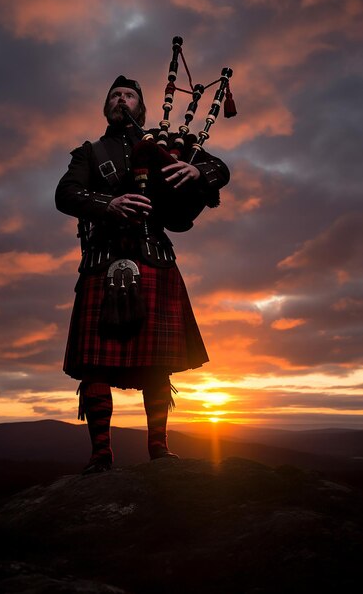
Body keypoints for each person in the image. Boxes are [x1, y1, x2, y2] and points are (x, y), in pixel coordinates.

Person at [55, 75, 230, 473]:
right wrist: (109, 203)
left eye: (129, 95)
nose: (121, 99)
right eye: (114, 95)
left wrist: (199, 173)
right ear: (106, 107)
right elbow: (65, 195)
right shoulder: (89, 153)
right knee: (95, 365)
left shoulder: (164, 145)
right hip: (103, 259)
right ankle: (101, 454)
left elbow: (220, 167)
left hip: (154, 258)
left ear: (141, 107)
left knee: (157, 362)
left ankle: (158, 449)